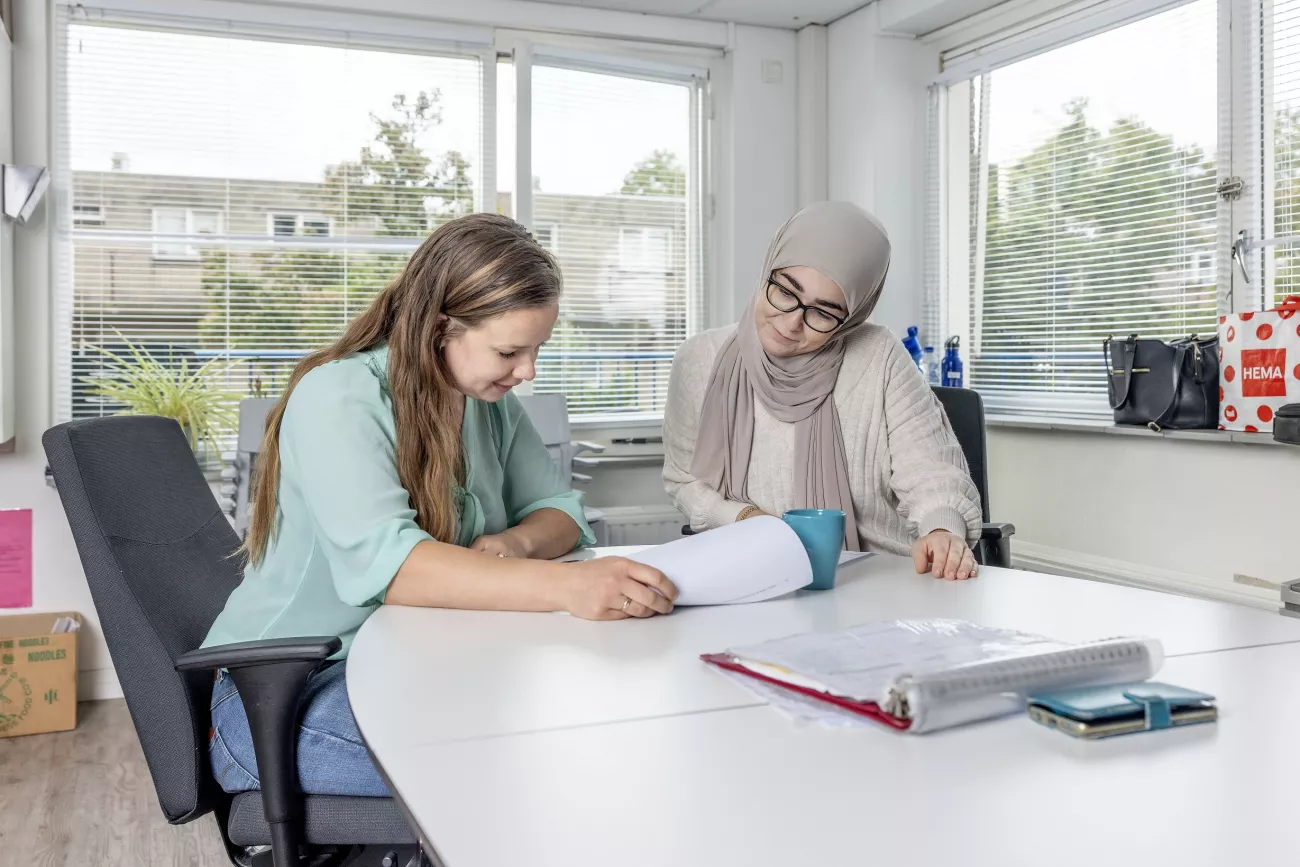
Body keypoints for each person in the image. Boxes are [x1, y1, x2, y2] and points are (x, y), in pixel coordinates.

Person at [203, 213, 677, 798]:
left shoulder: (482, 397)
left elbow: (560, 511)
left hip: (412, 659)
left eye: (536, 350)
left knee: (584, 728)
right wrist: (571, 588)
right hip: (281, 696)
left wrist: (516, 543)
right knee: (541, 765)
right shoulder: (339, 395)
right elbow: (394, 568)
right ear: (439, 327)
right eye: (509, 351)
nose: (526, 373)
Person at [663, 201, 982, 581]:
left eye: (823, 312)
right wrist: (745, 519)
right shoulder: (701, 359)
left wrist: (942, 529)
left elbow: (932, 473)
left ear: (852, 317)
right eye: (785, 290)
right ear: (768, 270)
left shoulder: (879, 356)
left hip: (877, 580)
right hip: (752, 576)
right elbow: (686, 482)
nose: (792, 322)